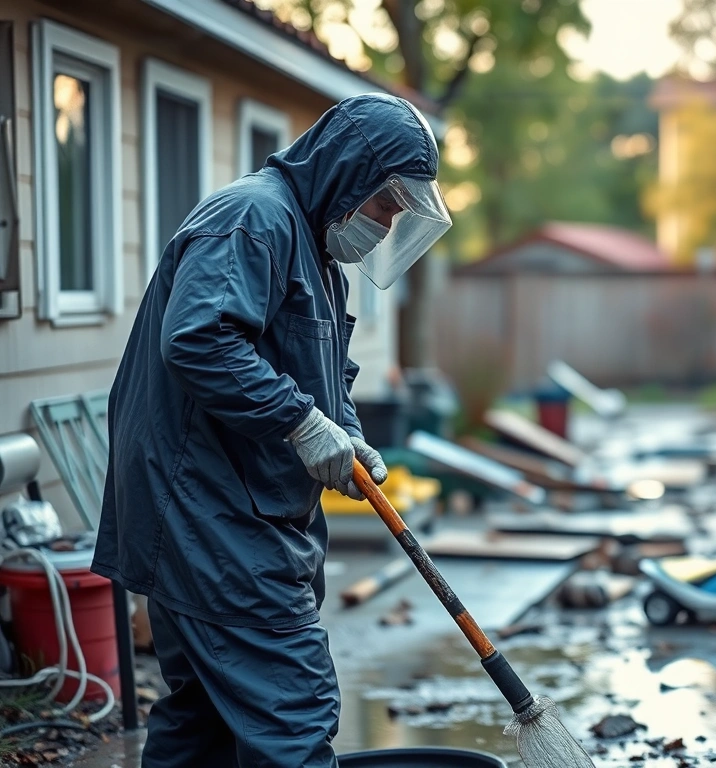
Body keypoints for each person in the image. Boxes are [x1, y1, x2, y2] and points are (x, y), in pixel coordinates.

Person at [91, 93, 451, 768]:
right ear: (350, 170)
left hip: (234, 509)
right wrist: (300, 422)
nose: (387, 222)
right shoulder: (253, 220)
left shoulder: (314, 249)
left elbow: (324, 371)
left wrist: (343, 434)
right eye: (386, 203)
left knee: (203, 723)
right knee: (291, 711)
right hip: (205, 512)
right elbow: (199, 341)